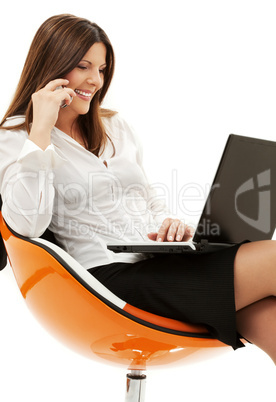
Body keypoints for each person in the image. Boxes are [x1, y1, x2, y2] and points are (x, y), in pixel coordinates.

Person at [0, 14, 276, 362]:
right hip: (105, 283)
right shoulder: (14, 137)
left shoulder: (114, 126)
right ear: (51, 65)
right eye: (83, 66)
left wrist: (168, 226)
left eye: (101, 69)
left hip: (158, 261)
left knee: (267, 314)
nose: (94, 80)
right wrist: (40, 129)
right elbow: (25, 227)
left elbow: (147, 199)